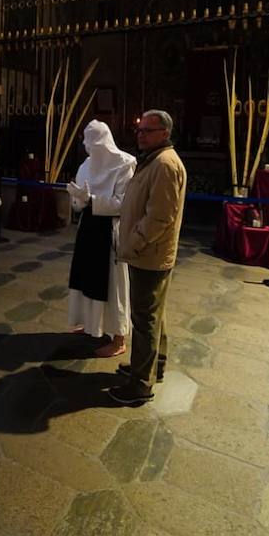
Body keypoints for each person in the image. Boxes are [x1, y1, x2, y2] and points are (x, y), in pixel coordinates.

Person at [109, 109, 187, 406]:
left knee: (144, 318)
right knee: (154, 313)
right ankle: (155, 365)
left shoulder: (164, 165)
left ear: (164, 133)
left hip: (149, 254)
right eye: (139, 130)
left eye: (147, 131)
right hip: (148, 252)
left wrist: (135, 242)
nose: (140, 135)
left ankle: (140, 383)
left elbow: (159, 217)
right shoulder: (154, 160)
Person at [66, 121, 136, 358]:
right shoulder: (86, 164)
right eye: (86, 141)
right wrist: (77, 199)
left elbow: (122, 203)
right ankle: (91, 325)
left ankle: (119, 339)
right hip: (88, 228)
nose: (89, 147)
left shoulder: (125, 163)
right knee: (86, 278)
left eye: (94, 142)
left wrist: (92, 199)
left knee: (113, 284)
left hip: (110, 231)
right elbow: (78, 202)